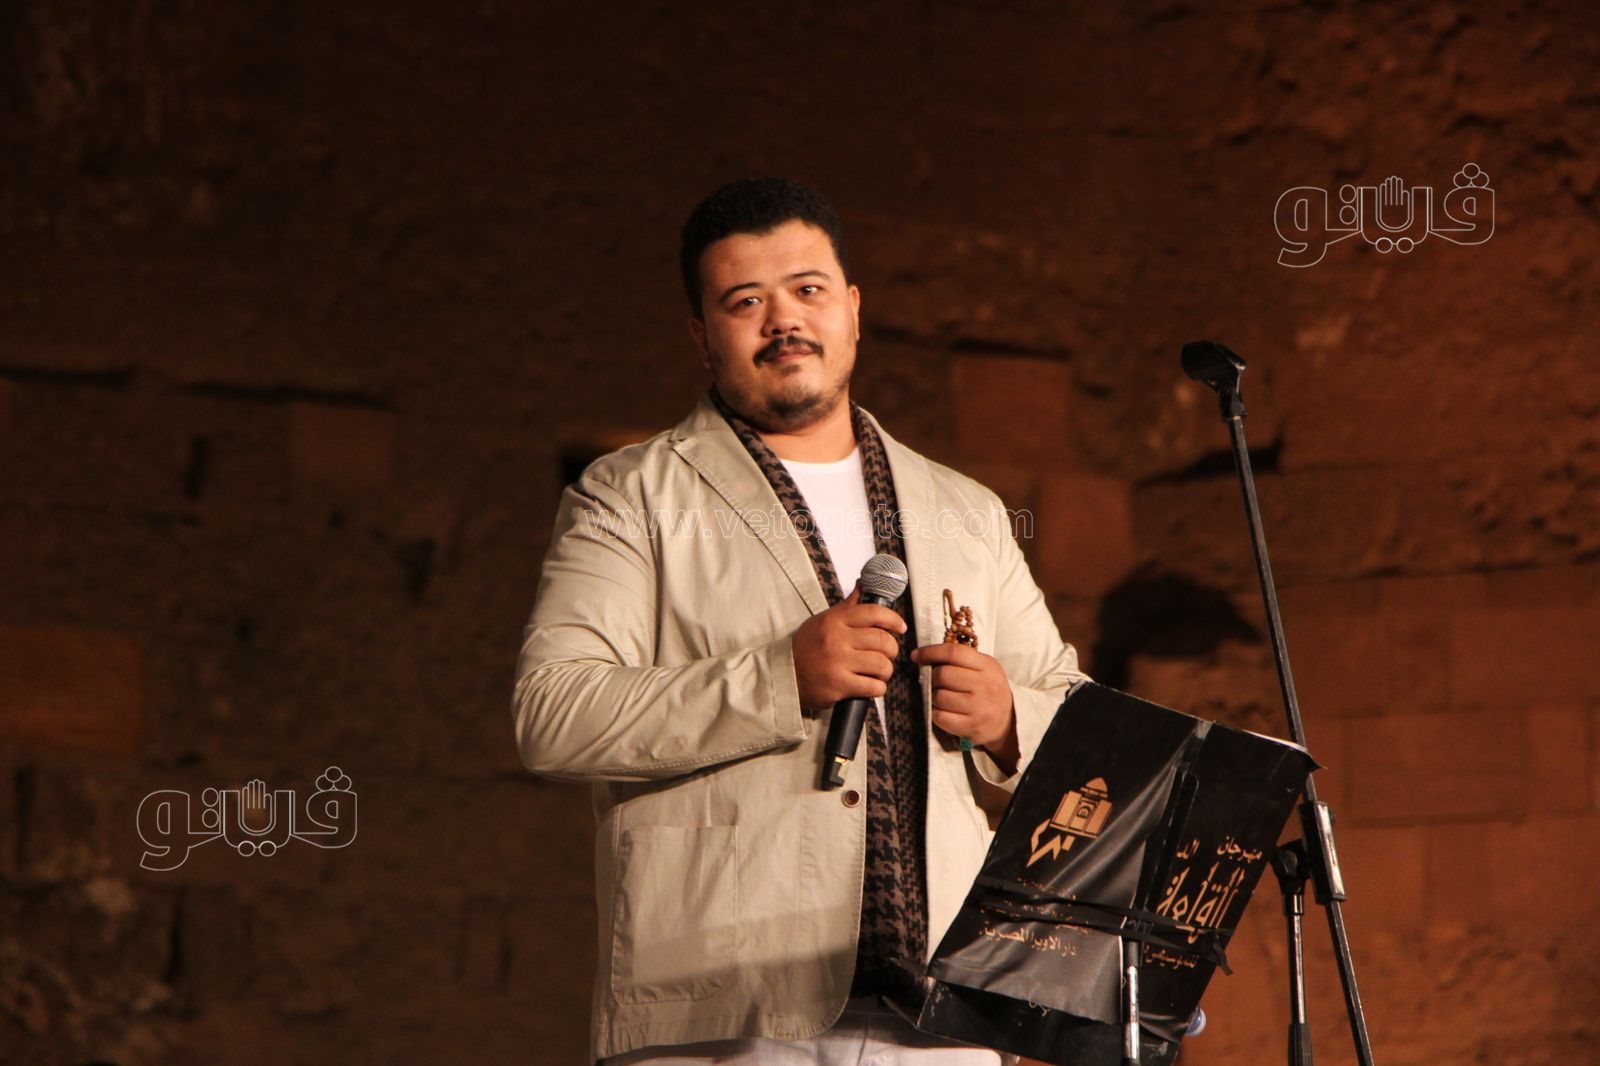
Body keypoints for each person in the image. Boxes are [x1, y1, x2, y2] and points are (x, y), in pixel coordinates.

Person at [512, 178, 1087, 1064]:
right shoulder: (629, 496)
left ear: (853, 308)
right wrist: (779, 679)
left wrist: (1012, 720)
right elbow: (553, 714)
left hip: (939, 1016)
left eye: (808, 290)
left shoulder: (963, 510)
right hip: (727, 1008)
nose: (783, 319)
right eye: (745, 302)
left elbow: (1081, 723)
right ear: (702, 336)